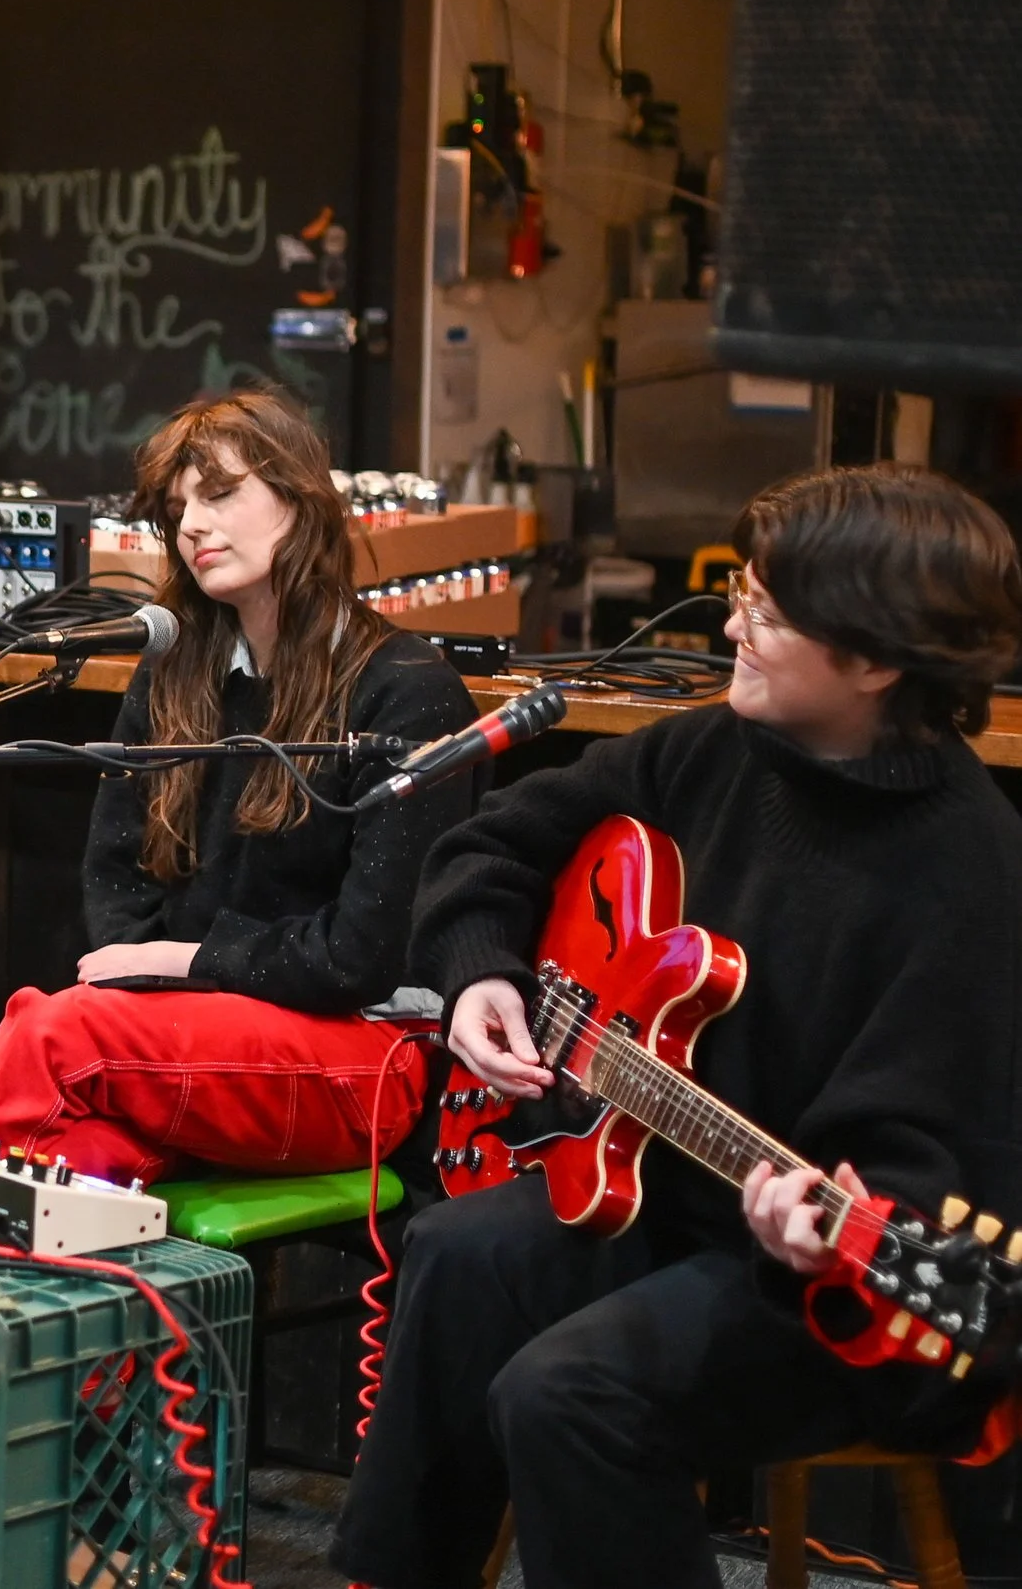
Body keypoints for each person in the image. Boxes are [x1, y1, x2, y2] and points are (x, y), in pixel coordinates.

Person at [334, 464, 1022, 1589]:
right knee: (455, 1254)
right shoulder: (706, 749)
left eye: (766, 611)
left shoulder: (970, 873)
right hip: (666, 1194)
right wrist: (477, 976)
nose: (732, 627)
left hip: (848, 1291)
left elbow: (929, 1158)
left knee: (566, 1396)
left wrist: (818, 1229)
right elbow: (490, 845)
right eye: (741, 593)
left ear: (875, 659)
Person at [0, 387, 478, 1188]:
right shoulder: (176, 669)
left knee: (54, 1034)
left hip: (364, 1048)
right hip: (192, 1031)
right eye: (178, 507)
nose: (191, 525)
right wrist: (156, 974)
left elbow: (365, 955)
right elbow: (114, 877)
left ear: (299, 500)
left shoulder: (407, 689)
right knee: (68, 1163)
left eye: (220, 494)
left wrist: (183, 960)